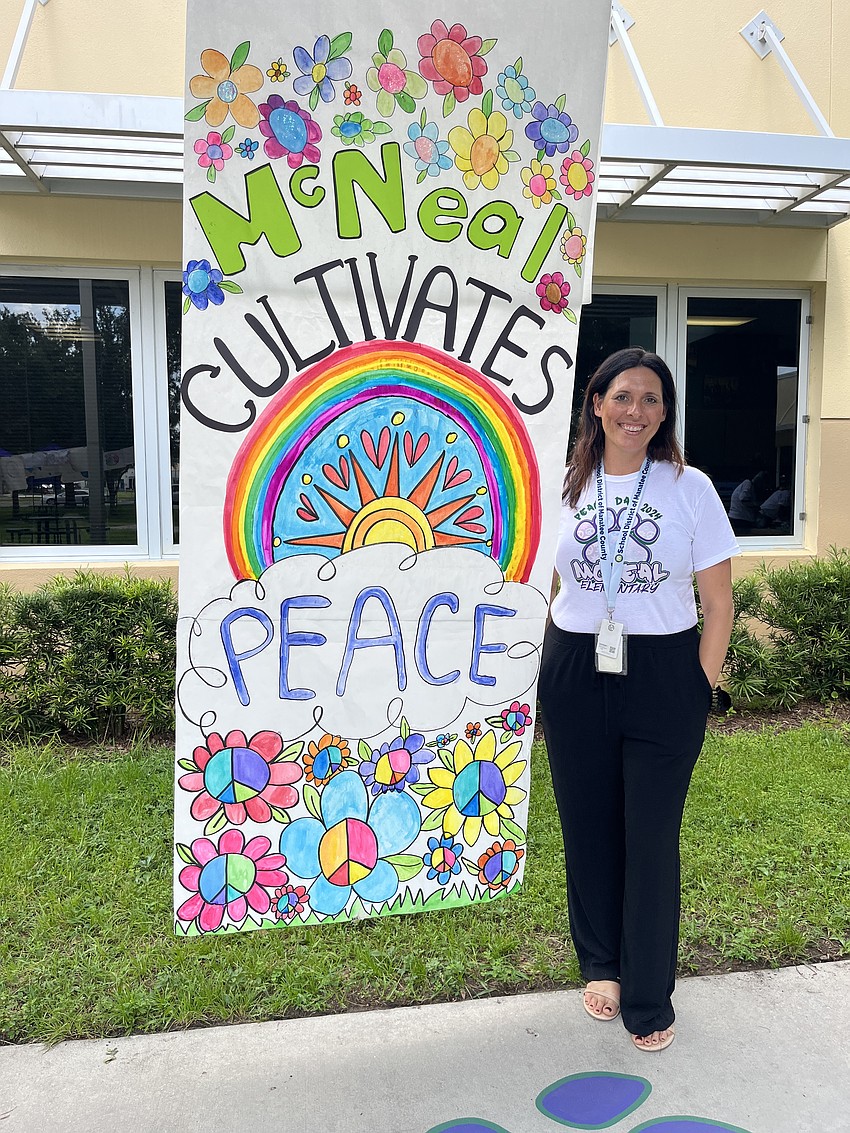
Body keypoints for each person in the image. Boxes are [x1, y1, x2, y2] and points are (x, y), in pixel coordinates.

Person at [538, 347, 738, 1052]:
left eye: (653, 400)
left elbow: (719, 603)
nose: (637, 411)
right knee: (588, 825)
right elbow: (549, 584)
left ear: (665, 414)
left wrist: (697, 685)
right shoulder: (565, 484)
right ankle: (603, 964)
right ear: (595, 402)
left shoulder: (690, 487)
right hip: (574, 667)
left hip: (661, 673)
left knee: (650, 837)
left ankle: (648, 991)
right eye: (623, 396)